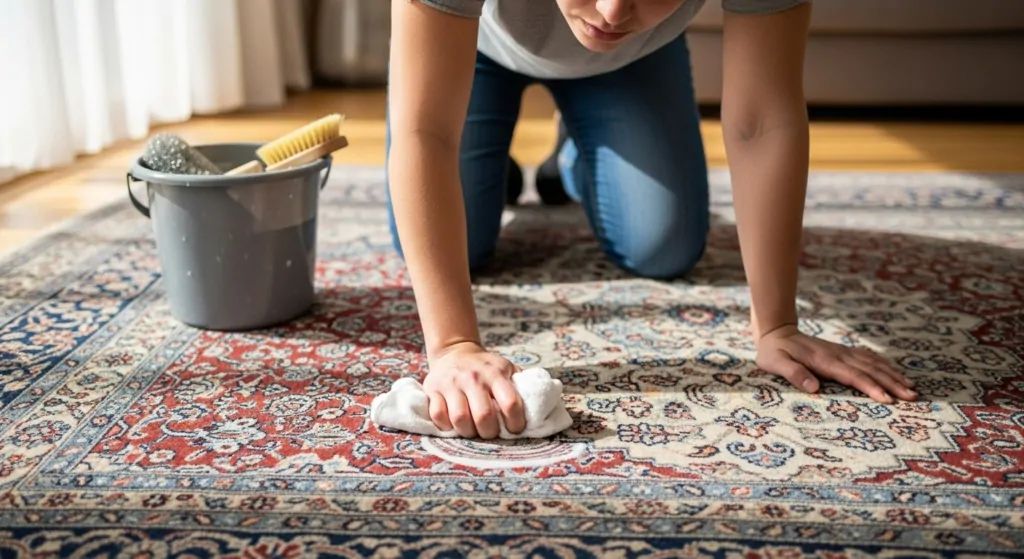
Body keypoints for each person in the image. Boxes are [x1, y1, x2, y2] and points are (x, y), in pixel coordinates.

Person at [385, 0, 918, 440]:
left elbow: (762, 123)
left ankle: (575, 154)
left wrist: (777, 324)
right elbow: (426, 132)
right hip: (471, 44)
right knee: (461, 240)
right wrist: (454, 346)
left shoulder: (620, 19)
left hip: (632, 60)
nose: (612, 9)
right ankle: (488, 158)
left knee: (663, 246)